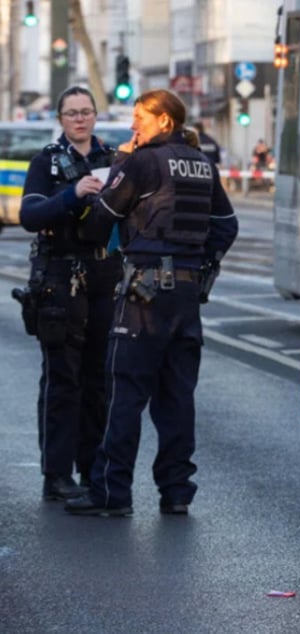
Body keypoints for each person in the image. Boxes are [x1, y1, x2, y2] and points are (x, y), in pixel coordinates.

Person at [65, 89, 238, 517]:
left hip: (143, 294)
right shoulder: (201, 163)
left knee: (124, 392)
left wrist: (119, 165)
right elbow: (226, 225)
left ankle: (112, 492)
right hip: (185, 295)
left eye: (140, 117)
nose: (132, 125)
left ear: (164, 121)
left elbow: (101, 218)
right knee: (177, 397)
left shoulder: (142, 162)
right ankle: (176, 491)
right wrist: (201, 264)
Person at [17, 86, 121, 501]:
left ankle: (94, 468)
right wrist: (71, 194)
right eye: (72, 113)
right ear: (60, 119)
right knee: (62, 378)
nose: (80, 119)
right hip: (60, 278)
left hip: (104, 275)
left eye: (86, 112)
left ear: (95, 116)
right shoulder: (46, 162)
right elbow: (29, 214)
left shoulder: (112, 160)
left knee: (99, 379)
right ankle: (56, 474)